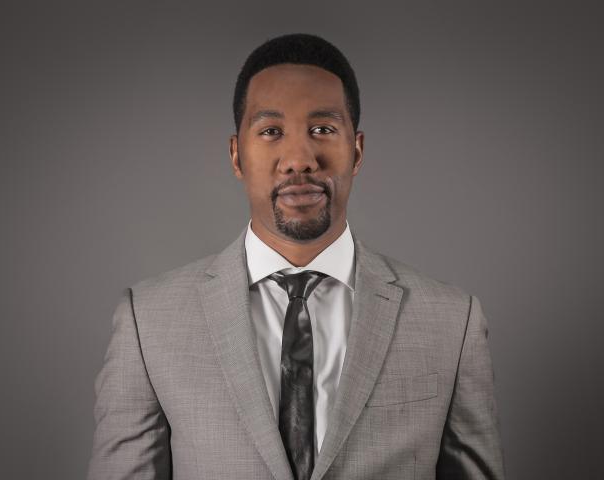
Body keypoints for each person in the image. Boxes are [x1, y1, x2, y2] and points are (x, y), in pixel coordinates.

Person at [87, 33, 505, 480]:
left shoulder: (450, 322)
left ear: (357, 150)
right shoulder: (148, 321)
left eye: (322, 129)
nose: (299, 159)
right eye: (271, 132)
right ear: (236, 155)